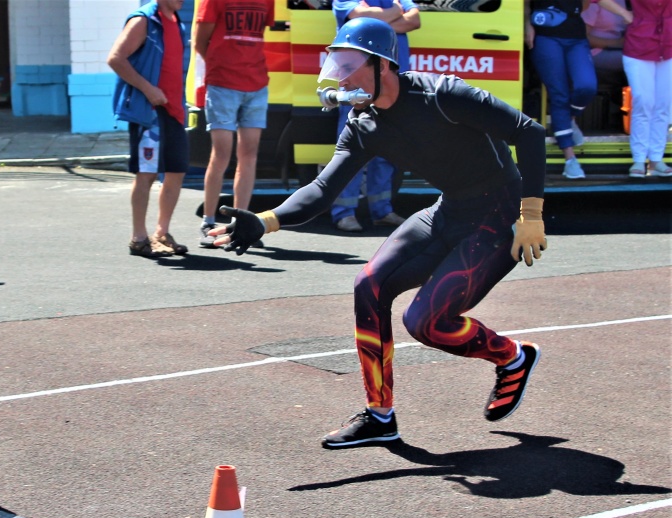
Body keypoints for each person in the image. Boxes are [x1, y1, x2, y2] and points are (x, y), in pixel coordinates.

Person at [210, 18, 548, 449]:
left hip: (499, 218)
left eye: (350, 64)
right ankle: (380, 414)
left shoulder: (442, 94)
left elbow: (529, 133)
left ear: (382, 65)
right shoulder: (363, 124)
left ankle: (512, 357)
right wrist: (265, 220)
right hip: (449, 210)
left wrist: (531, 213)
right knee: (368, 286)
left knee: (426, 323)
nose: (341, 76)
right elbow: (322, 189)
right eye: (337, 63)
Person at [108, 0, 190, 258]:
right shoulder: (144, 20)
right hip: (150, 111)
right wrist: (149, 89)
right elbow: (116, 59)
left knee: (176, 170)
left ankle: (162, 233)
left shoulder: (176, 21)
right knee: (147, 173)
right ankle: (139, 238)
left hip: (174, 109)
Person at [329, 0, 420, 232]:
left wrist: (380, 19)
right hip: (357, 82)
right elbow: (362, 16)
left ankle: (382, 211)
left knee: (388, 148)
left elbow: (415, 20)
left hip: (390, 83)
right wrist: (397, 12)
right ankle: (343, 213)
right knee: (353, 148)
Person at [193, 0, 275, 248]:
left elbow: (258, 34)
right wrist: (222, 67)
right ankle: (208, 221)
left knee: (249, 155)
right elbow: (199, 42)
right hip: (223, 85)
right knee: (221, 154)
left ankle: (242, 222)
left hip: (257, 84)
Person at [590, 0, 672, 179]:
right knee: (643, 101)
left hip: (669, 44)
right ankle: (639, 159)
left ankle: (656, 159)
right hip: (638, 45)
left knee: (664, 103)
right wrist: (624, 13)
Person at [525, 0, 597, 180]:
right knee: (559, 94)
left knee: (587, 86)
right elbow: (525, 4)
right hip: (545, 37)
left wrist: (625, 14)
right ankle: (570, 159)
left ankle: (569, 118)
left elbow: (586, 5)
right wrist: (527, 24)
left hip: (576, 38)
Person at [582, 0, 628, 89]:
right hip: (594, 51)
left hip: (620, 48)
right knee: (635, 61)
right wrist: (617, 43)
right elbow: (581, 37)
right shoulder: (594, 3)